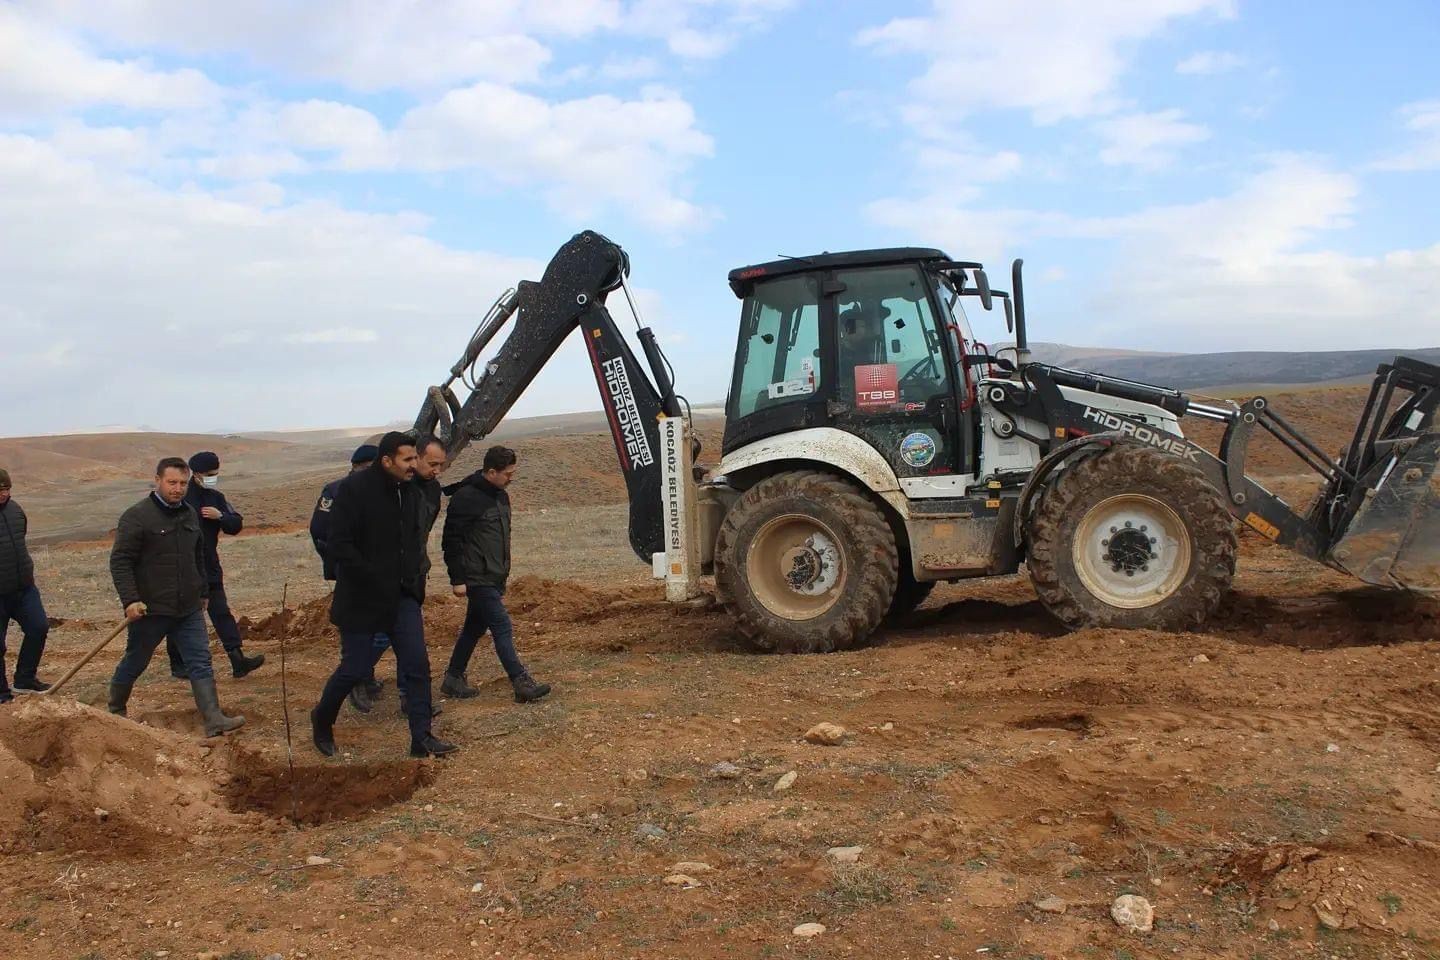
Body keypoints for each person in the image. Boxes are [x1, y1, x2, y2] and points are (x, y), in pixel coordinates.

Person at [310, 432, 455, 759]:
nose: (413, 465)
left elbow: (413, 540)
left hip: (402, 595)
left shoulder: (412, 490)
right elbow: (339, 545)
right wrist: (372, 576)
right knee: (355, 667)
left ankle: (422, 738)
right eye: (407, 460)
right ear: (386, 460)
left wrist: (413, 582)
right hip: (362, 595)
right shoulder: (353, 490)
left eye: (415, 459)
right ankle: (322, 718)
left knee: (417, 664)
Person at [107, 458, 244, 737]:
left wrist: (203, 591)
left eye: (182, 483)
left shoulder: (189, 514)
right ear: (157, 480)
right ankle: (115, 710)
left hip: (188, 607)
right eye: (172, 482)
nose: (178, 489)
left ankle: (213, 718)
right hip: (152, 609)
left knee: (200, 660)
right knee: (136, 661)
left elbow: (198, 555)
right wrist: (130, 600)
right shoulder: (137, 516)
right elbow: (120, 561)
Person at [440, 446, 550, 704]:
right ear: (491, 472)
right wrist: (457, 579)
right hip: (476, 576)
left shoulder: (500, 495)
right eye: (507, 473)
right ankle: (520, 681)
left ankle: (453, 677)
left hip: (494, 575)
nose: (511, 478)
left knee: (473, 628)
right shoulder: (466, 498)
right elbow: (451, 541)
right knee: (501, 625)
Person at [166, 452, 265, 680]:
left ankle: (237, 659)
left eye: (216, 474)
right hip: (183, 568)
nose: (213, 478)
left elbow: (235, 523)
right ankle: (178, 664)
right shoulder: (180, 498)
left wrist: (221, 516)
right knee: (180, 614)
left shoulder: (216, 498)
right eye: (210, 475)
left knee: (221, 612)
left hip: (210, 566)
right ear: (197, 474)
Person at [310, 443, 385, 713]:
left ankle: (365, 674)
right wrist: (339, 564)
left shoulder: (384, 489)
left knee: (380, 630)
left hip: (380, 574)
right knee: (357, 629)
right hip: (353, 575)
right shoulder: (336, 490)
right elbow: (319, 531)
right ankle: (356, 680)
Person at [0, 468, 51, 700]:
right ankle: (1, 692)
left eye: (7, 489)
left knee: (38, 628)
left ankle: (24, 680)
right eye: (0, 490)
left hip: (23, 588)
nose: (3, 494)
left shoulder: (15, 510)